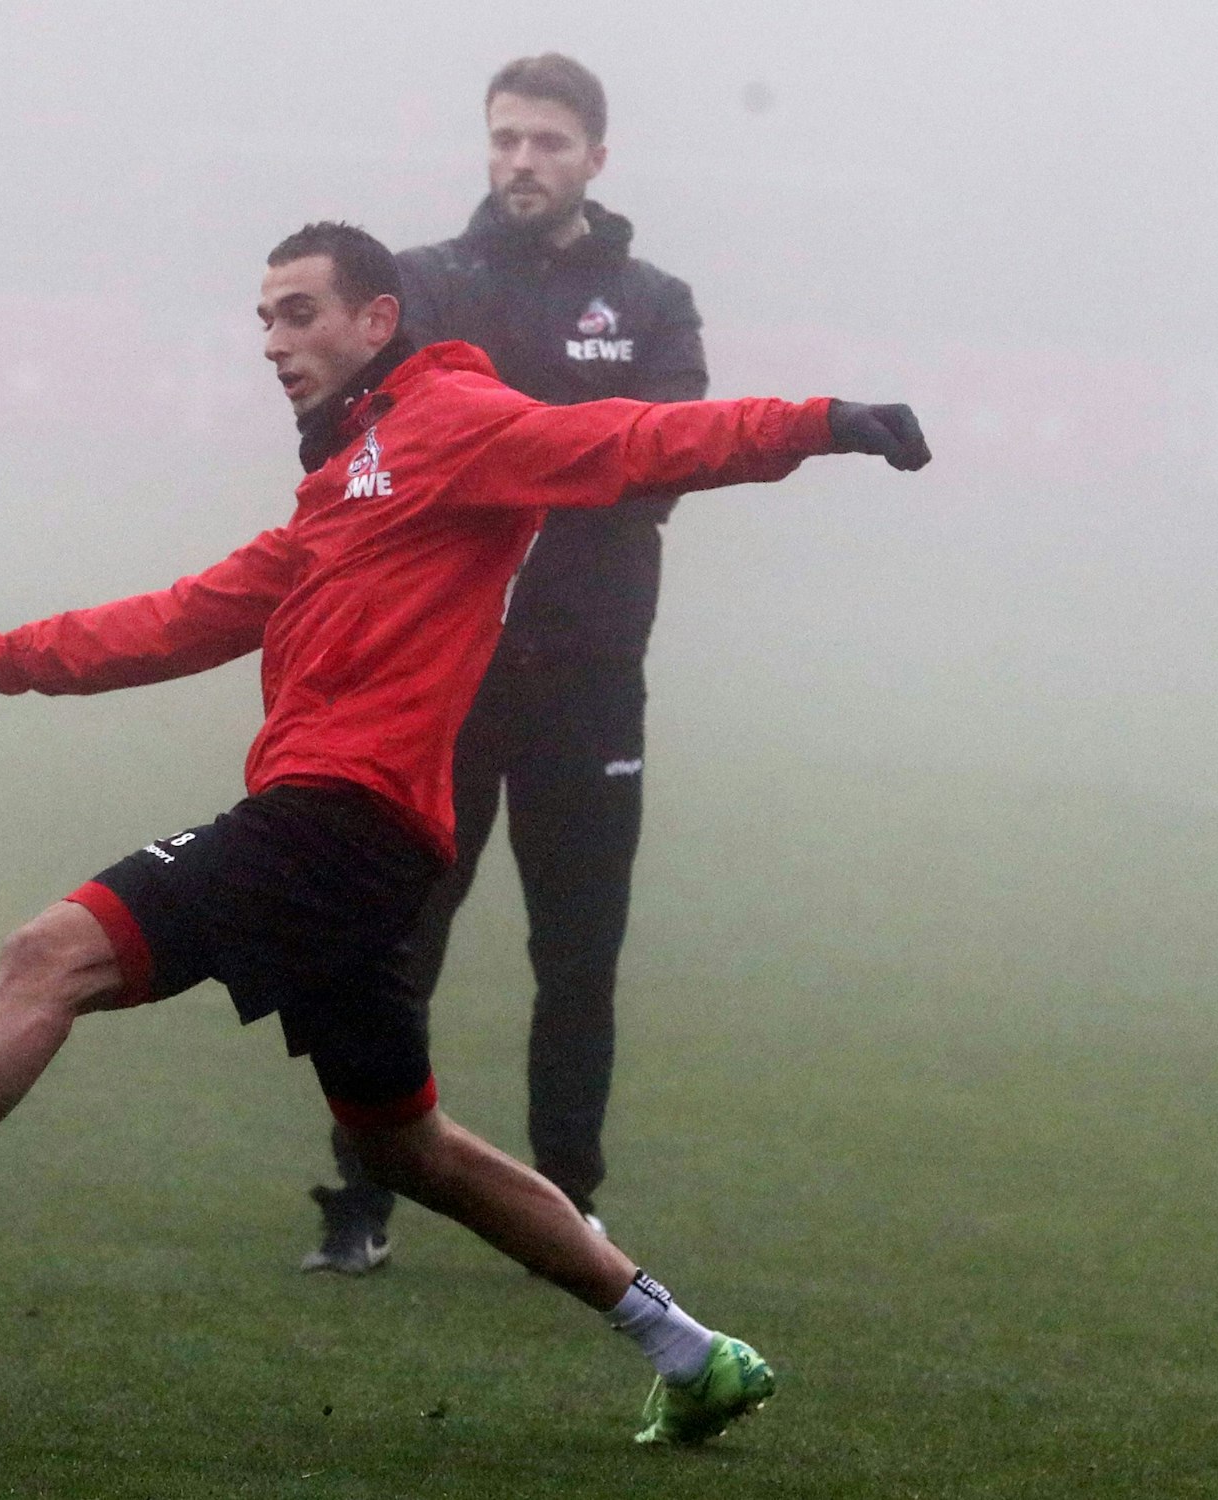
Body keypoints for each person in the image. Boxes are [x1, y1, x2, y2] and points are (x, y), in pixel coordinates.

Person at [0, 221, 929, 1446]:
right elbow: (178, 618)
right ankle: (691, 1353)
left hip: (337, 819)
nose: (273, 343)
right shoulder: (337, 491)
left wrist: (823, 422)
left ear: (376, 319)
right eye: (263, 320)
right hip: (369, 844)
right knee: (406, 1147)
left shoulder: (453, 424)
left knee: (49, 956)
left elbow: (632, 439)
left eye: (300, 313)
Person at [306, 54, 717, 1273]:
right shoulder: (422, 285)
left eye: (546, 141)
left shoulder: (652, 300)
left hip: (588, 678)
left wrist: (490, 454)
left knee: (577, 956)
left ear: (595, 157)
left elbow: (667, 459)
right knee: (398, 940)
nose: (521, 160)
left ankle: (569, 1207)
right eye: (504, 138)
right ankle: (361, 1199)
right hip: (440, 677)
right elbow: (364, 446)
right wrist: (575, 449)